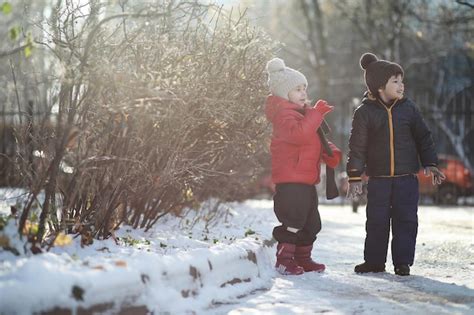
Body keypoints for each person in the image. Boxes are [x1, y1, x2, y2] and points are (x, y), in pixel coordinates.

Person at [346, 52, 446, 276]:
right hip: (379, 179)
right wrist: (354, 176)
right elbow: (357, 147)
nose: (402, 85)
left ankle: (402, 262)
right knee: (376, 221)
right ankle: (374, 261)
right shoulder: (365, 113)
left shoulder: (408, 109)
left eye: (402, 80)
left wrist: (430, 162)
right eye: (395, 81)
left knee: (406, 220)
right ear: (380, 86)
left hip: (406, 179)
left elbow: (423, 136)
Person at [264, 58, 341, 275]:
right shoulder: (283, 115)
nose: (303, 93)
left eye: (304, 88)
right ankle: (284, 259)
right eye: (297, 89)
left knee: (311, 223)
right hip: (290, 181)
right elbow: (299, 135)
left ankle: (303, 258)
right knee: (293, 221)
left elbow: (314, 140)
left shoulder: (304, 114)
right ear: (283, 92)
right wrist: (316, 114)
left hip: (306, 180)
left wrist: (330, 152)